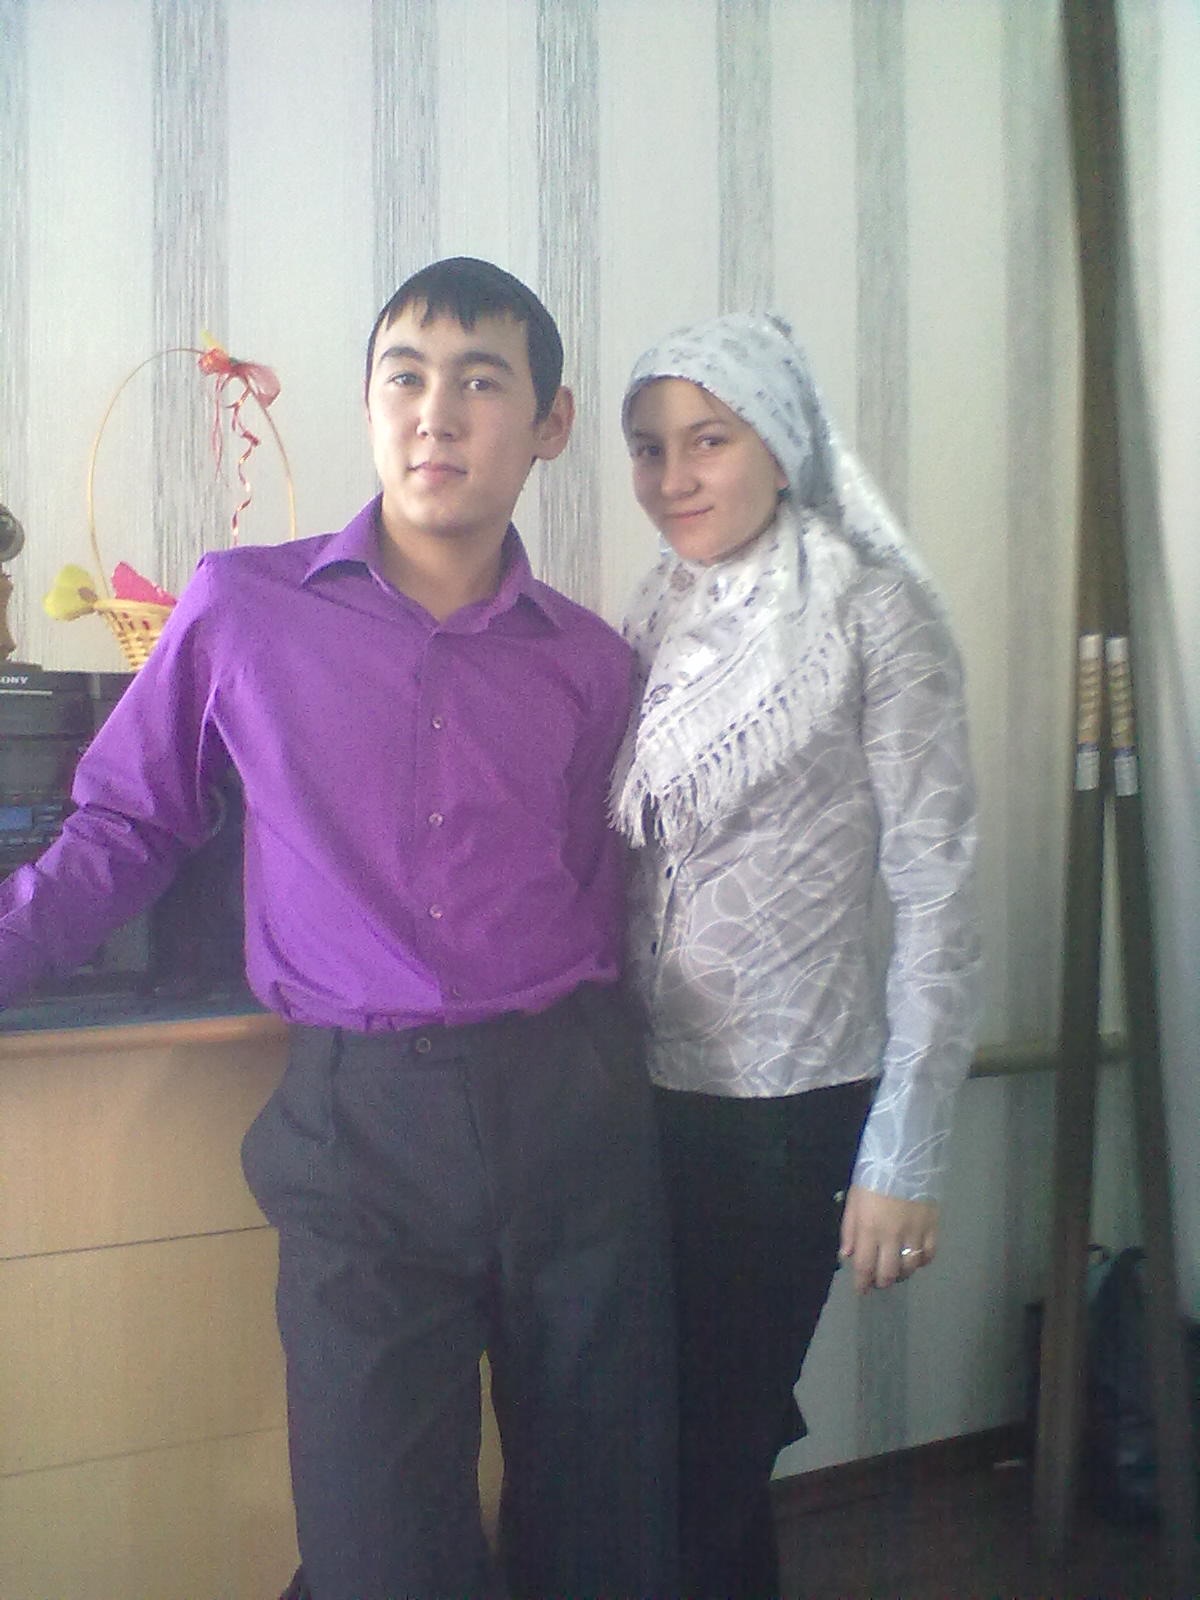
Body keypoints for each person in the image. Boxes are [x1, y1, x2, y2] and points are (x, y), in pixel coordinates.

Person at [0, 258, 676, 1600]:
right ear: (369, 406)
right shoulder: (243, 609)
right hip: (360, 1134)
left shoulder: (592, 663)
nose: (437, 412)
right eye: (405, 377)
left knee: (605, 1534)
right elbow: (128, 828)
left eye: (481, 381)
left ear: (548, 422)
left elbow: (607, 885)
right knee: (380, 1554)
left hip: (574, 1113)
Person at [610, 312, 981, 1598]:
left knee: (702, 1454)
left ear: (780, 440)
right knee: (686, 1439)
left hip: (788, 1105)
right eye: (649, 446)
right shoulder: (658, 606)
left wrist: (904, 1152)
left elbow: (938, 885)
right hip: (642, 1094)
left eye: (707, 439)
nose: (674, 477)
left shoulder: (872, 608)